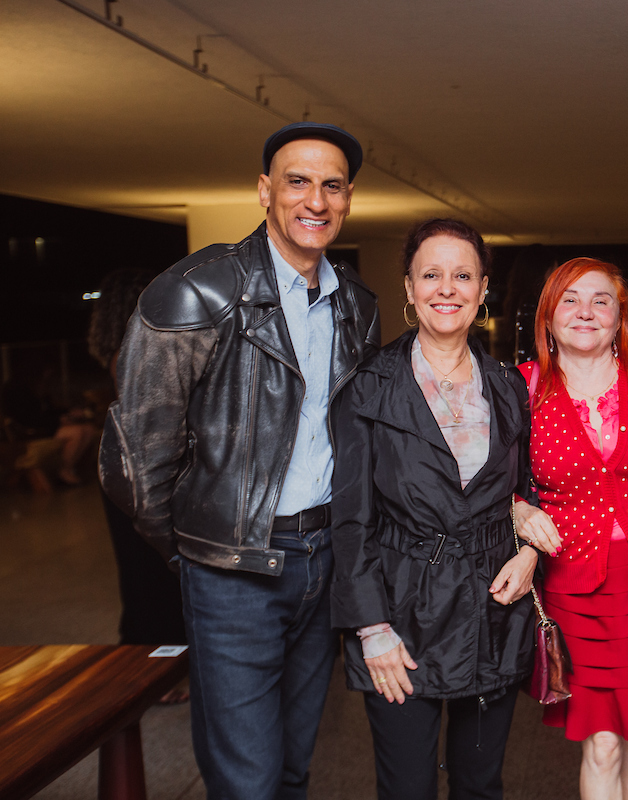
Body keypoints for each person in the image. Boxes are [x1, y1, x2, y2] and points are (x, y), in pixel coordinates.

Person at [99, 122, 380, 799]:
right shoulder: (197, 290)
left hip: (323, 562)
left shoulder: (357, 306)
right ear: (265, 191)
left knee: (290, 769)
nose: (316, 199)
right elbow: (135, 457)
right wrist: (196, 549)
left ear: (347, 201)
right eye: (298, 181)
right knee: (245, 781)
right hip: (232, 573)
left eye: (332, 185)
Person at [330, 218, 559, 800]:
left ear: (483, 289)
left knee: (481, 784)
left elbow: (529, 486)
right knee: (407, 787)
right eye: (431, 274)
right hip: (402, 615)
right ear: (409, 288)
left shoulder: (508, 386)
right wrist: (372, 628)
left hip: (492, 608)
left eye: (463, 275)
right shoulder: (369, 387)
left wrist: (531, 551)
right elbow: (351, 518)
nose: (447, 288)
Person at [519, 258, 628, 800]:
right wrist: (517, 509)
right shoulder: (522, 388)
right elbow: (482, 476)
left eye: (601, 300)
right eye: (569, 300)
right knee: (602, 741)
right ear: (548, 318)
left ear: (620, 315)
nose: (586, 312)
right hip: (576, 587)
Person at [88, 269, 188, 663]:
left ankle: (147, 656)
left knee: (141, 570)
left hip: (126, 469)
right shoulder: (132, 352)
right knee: (149, 572)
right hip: (142, 473)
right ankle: (150, 663)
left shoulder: (119, 351)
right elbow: (150, 422)